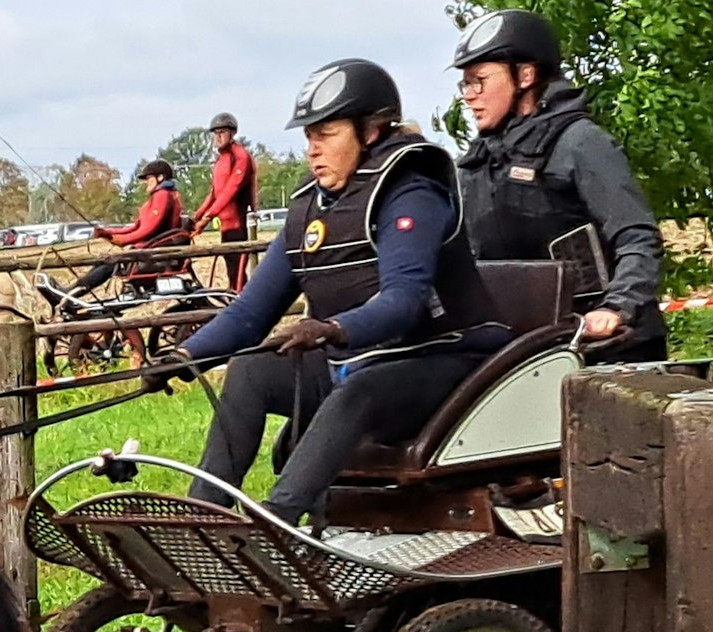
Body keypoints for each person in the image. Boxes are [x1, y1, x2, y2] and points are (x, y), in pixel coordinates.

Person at [152, 59, 512, 526]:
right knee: (251, 370)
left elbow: (403, 301)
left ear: (372, 130)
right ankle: (203, 520)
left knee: (357, 391)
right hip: (363, 359)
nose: (312, 150)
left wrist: (332, 328)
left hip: (445, 363)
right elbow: (249, 315)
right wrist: (185, 355)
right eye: (308, 136)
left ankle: (275, 526)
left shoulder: (412, 192)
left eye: (326, 134)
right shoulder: (310, 207)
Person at [453, 8, 667, 361]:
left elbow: (637, 237)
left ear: (525, 75)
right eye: (465, 83)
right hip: (532, 348)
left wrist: (617, 307)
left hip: (610, 344)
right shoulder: (477, 162)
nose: (469, 95)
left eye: (480, 80)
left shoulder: (580, 143)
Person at [65, 159, 186, 299]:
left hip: (152, 256)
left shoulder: (163, 195)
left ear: (160, 178)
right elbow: (136, 227)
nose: (146, 182)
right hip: (149, 252)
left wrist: (122, 240)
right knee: (105, 262)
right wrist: (108, 233)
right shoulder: (160, 196)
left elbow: (148, 229)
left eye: (149, 178)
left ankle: (69, 295)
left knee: (110, 263)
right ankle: (70, 293)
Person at [192, 112, 257, 289]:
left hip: (238, 223)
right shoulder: (221, 160)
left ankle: (242, 305)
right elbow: (214, 193)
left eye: (222, 132)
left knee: (237, 272)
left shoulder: (240, 157)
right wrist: (197, 217)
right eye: (215, 133)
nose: (218, 137)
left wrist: (208, 216)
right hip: (225, 225)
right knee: (231, 270)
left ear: (232, 133)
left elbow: (230, 191)